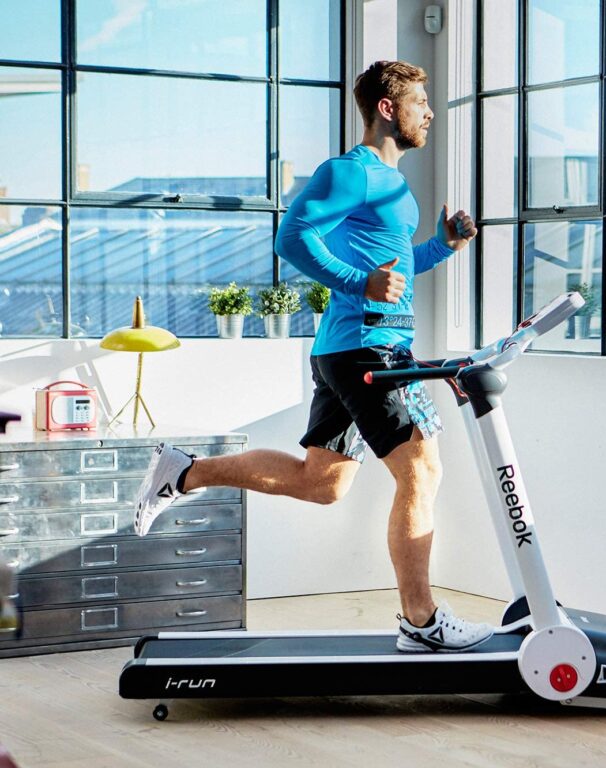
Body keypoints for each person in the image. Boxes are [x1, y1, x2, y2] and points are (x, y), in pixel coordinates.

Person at [134, 60, 493, 653]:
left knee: (321, 484)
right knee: (422, 469)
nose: (430, 113)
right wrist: (359, 283)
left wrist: (445, 246)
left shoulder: (395, 186)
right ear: (387, 108)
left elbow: (396, 271)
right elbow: (291, 237)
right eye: (420, 102)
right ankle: (421, 621)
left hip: (349, 348)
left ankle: (184, 470)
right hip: (367, 349)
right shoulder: (350, 172)